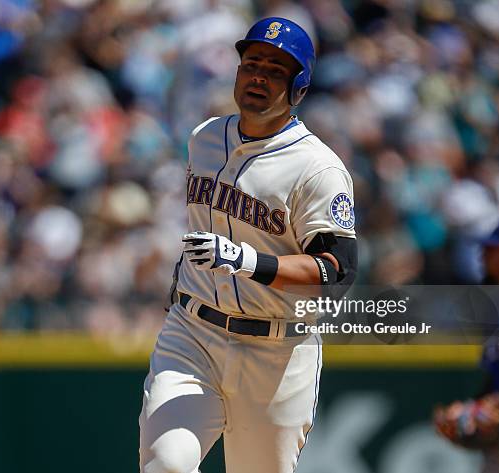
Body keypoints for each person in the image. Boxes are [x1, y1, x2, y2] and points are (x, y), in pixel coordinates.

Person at [139, 17, 357, 473]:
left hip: (276, 353)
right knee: (167, 464)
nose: (259, 76)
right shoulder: (204, 139)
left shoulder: (318, 169)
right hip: (192, 333)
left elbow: (337, 271)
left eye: (276, 70)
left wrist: (246, 261)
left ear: (298, 87)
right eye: (251, 63)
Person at [435, 219, 499, 473]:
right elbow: (497, 378)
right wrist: (469, 412)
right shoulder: (496, 308)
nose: (481, 256)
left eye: (490, 250)